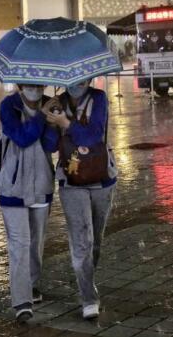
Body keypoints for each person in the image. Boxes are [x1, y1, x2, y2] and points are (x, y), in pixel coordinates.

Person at [45, 80, 117, 320]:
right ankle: (88, 297)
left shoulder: (99, 98)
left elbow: (93, 135)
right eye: (73, 79)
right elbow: (50, 144)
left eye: (83, 78)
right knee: (82, 241)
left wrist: (66, 123)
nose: (78, 84)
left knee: (95, 241)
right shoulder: (58, 102)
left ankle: (88, 279)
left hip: (101, 178)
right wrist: (45, 117)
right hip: (70, 180)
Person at [0, 84, 59, 323]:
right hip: (13, 188)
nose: (33, 88)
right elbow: (22, 138)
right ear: (21, 84)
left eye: (37, 83)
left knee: (36, 242)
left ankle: (32, 284)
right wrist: (42, 116)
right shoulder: (8, 105)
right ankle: (22, 301)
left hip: (42, 185)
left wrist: (53, 122)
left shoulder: (49, 104)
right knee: (19, 244)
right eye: (28, 83)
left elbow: (51, 146)